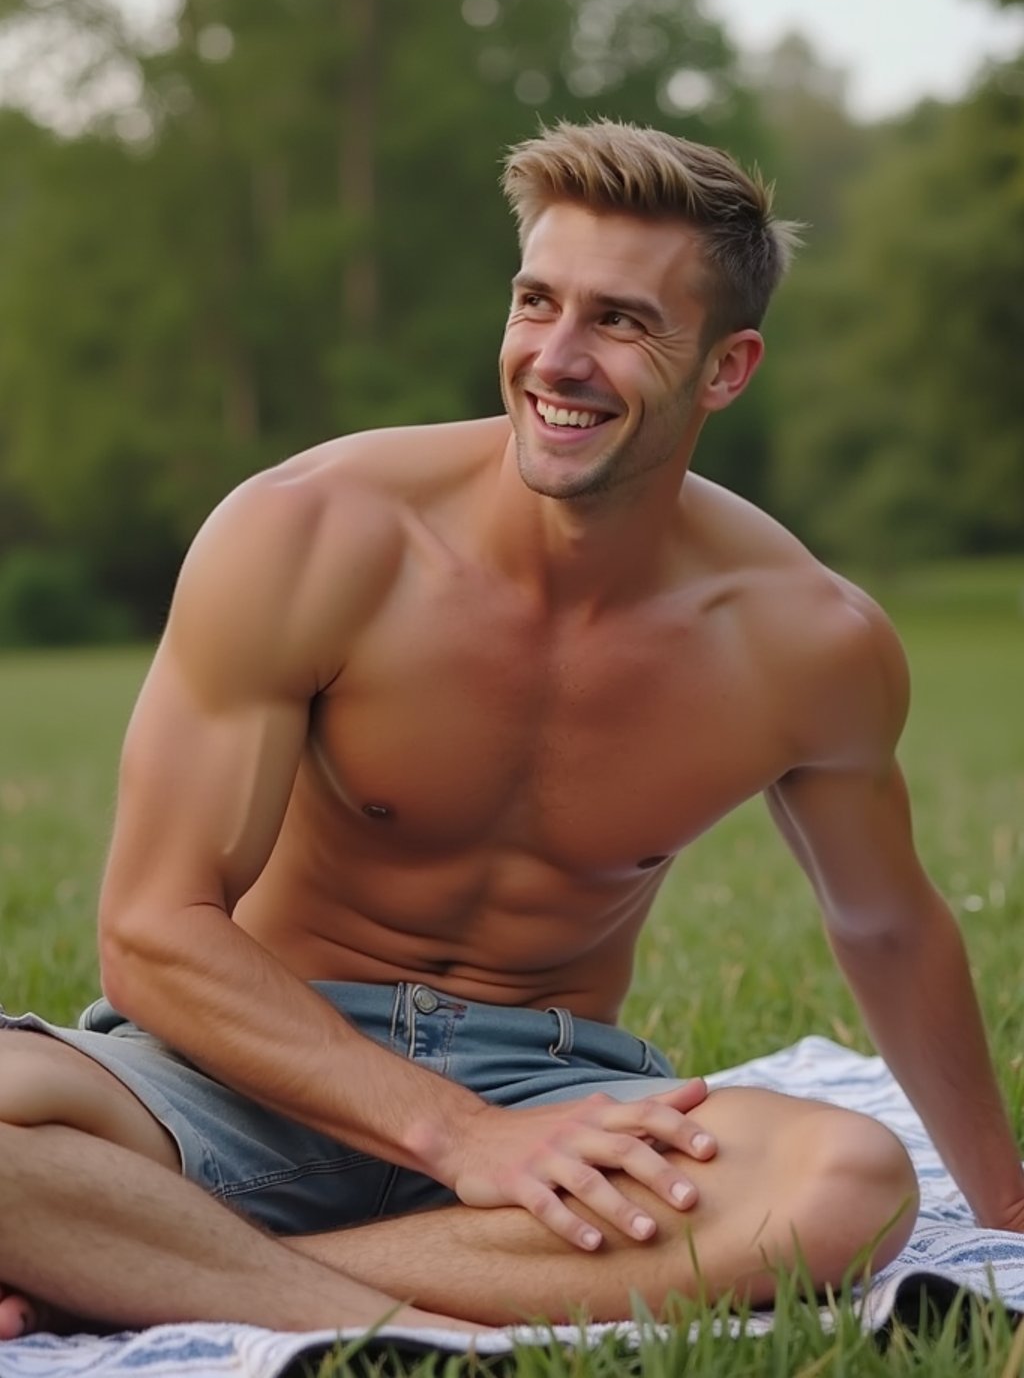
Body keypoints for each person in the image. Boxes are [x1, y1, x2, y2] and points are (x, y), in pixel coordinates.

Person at [1, 120, 1020, 1342]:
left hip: (556, 1087)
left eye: (624, 322)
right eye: (537, 302)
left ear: (727, 367)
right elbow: (153, 935)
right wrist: (461, 1141)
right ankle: (389, 1318)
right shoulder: (312, 535)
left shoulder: (808, 642)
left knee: (843, 1184)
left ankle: (145, 1255)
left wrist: (1004, 1208)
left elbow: (887, 924)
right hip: (239, 1068)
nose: (559, 357)